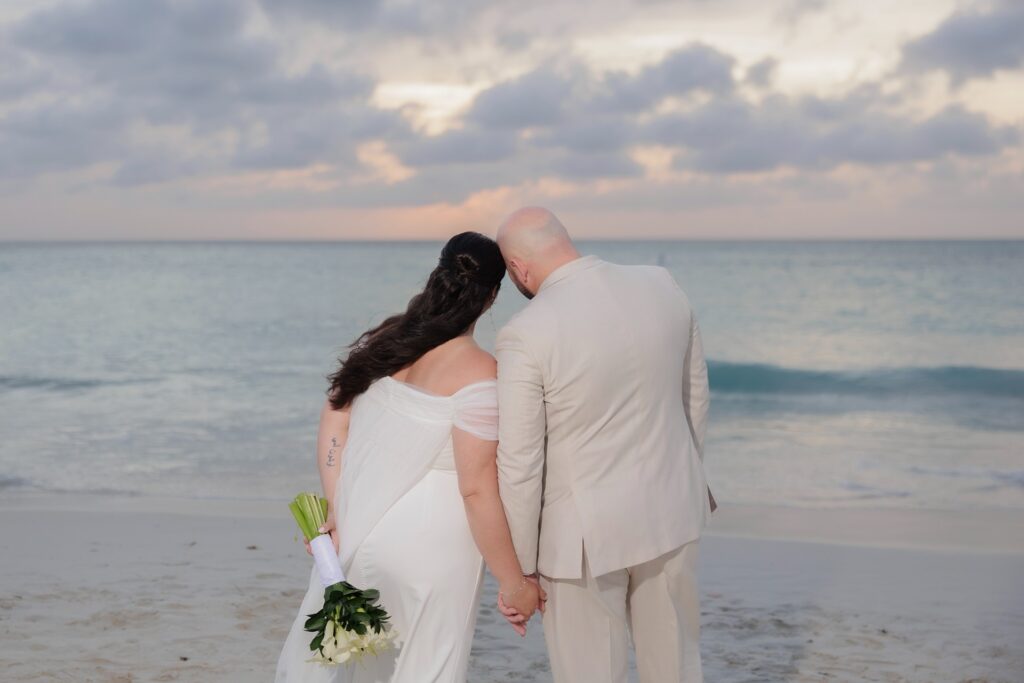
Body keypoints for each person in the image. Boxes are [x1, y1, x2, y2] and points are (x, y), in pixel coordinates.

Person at [276, 232, 543, 683]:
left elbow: (335, 417)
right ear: (492, 296)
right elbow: (476, 488)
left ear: (437, 274)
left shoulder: (389, 340)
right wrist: (515, 583)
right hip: (432, 548)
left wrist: (339, 508)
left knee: (359, 667)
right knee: (427, 668)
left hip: (365, 535)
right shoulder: (481, 370)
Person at [494, 207, 713, 683]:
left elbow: (520, 464)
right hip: (672, 512)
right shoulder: (662, 285)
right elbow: (693, 398)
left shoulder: (524, 333)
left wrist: (523, 570)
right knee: (676, 670)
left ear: (518, 268)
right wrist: (685, 479)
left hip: (582, 542)